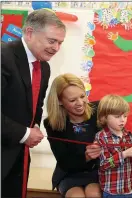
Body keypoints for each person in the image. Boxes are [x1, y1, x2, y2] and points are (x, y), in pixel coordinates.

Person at [1, 9, 66, 197]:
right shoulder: (3, 57)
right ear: (29, 33)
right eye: (52, 41)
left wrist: (35, 127)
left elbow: (34, 105)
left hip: (19, 156)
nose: (56, 48)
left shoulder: (43, 67)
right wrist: (24, 133)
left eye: (60, 43)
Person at [44, 74, 101, 197]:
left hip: (97, 171)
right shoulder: (51, 123)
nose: (80, 103)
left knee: (94, 194)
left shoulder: (99, 109)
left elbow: (122, 114)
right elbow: (64, 161)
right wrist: (86, 157)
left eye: (82, 96)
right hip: (69, 173)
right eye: (72, 100)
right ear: (59, 101)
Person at [94, 94, 132, 198]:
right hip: (112, 192)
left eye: (125, 116)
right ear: (104, 117)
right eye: (117, 117)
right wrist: (124, 154)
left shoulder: (130, 137)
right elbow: (104, 165)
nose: (123, 120)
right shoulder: (101, 137)